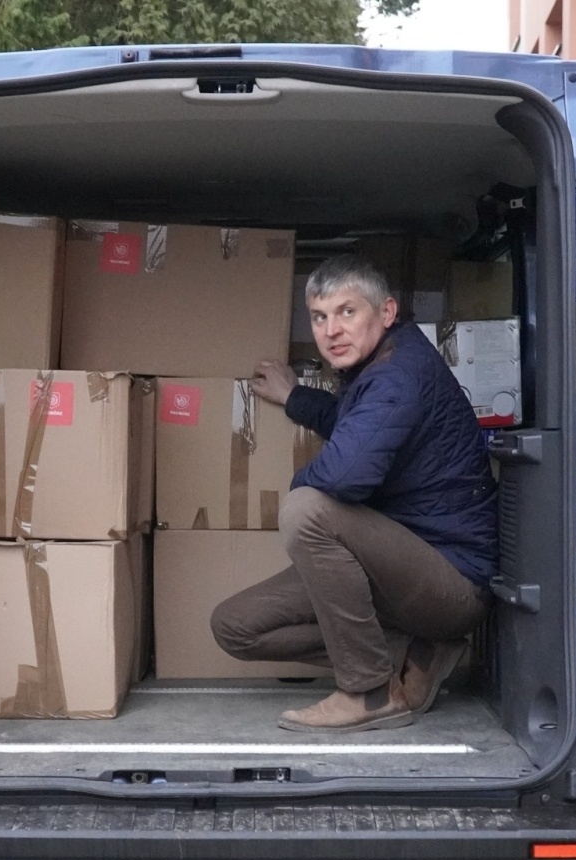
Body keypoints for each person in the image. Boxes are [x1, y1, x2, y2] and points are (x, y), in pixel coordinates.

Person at [210, 255, 498, 732]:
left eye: (348, 312)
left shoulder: (395, 376)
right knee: (235, 626)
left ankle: (368, 691)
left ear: (385, 313)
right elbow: (360, 426)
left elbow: (344, 476)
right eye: (320, 317)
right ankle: (414, 653)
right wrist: (297, 398)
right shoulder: (381, 365)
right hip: (395, 573)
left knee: (307, 510)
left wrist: (296, 490)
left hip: (451, 580)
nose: (331, 331)